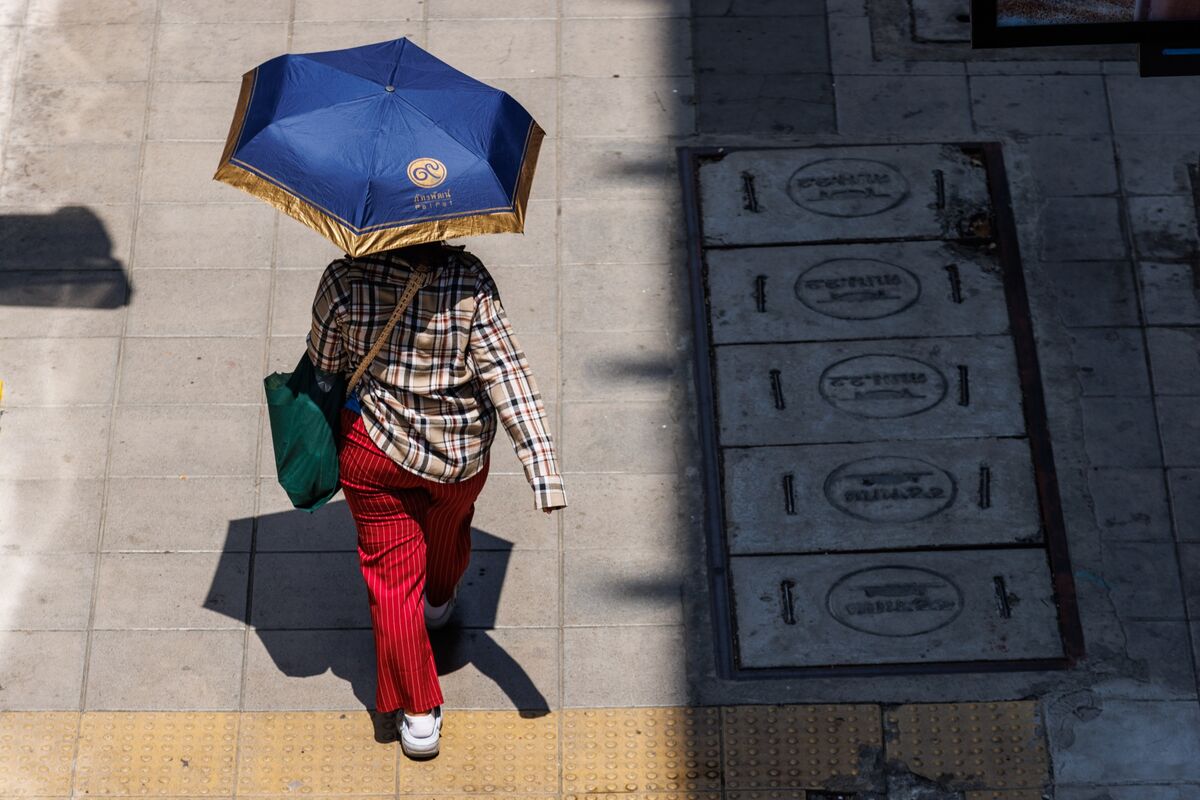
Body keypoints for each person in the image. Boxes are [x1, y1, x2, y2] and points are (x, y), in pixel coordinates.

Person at [307, 239, 565, 759]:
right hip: (458, 456)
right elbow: (506, 373)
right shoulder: (467, 279)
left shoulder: (341, 279)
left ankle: (418, 715)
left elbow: (324, 361)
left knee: (391, 581)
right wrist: (543, 469)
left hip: (372, 451)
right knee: (450, 529)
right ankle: (441, 598)